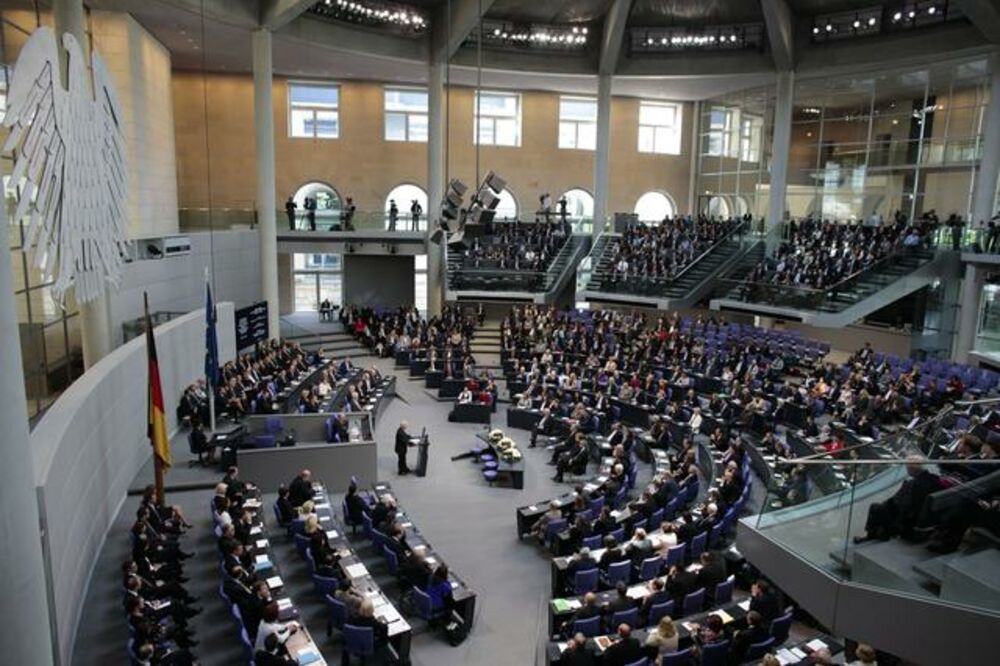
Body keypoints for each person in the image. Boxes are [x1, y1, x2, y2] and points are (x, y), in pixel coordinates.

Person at [854, 456, 940, 543]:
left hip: (910, 523)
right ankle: (881, 532)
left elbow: (899, 504)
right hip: (928, 519)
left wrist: (889, 502)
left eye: (907, 468)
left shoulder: (912, 485)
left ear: (912, 469)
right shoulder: (935, 479)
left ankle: (872, 535)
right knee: (884, 507)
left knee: (875, 508)